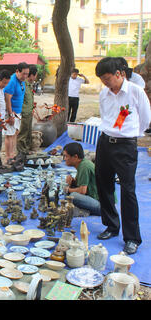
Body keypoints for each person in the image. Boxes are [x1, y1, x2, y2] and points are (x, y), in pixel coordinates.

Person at [94, 57, 151, 255]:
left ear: (120, 74)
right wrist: (110, 132)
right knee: (103, 184)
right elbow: (104, 116)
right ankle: (111, 225)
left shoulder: (135, 92)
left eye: (108, 78)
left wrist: (129, 134)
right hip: (105, 142)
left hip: (125, 146)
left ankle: (132, 238)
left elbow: (145, 119)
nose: (106, 83)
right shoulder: (104, 93)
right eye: (102, 80)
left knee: (128, 191)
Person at [62, 143, 100, 216]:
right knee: (69, 194)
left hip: (102, 206)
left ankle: (83, 211)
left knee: (73, 196)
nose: (64, 159)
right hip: (94, 200)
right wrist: (72, 182)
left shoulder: (84, 166)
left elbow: (82, 191)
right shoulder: (82, 164)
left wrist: (68, 189)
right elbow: (81, 185)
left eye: (66, 156)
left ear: (75, 157)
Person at [3, 62, 30, 165]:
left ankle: (13, 154)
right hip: (11, 111)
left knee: (15, 133)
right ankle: (8, 157)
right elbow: (7, 99)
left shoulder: (22, 81)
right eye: (23, 73)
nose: (25, 76)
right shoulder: (12, 81)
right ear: (17, 71)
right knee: (9, 135)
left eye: (27, 74)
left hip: (18, 112)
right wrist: (10, 115)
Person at [17, 65, 38, 156]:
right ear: (32, 75)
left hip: (29, 112)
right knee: (23, 134)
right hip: (24, 113)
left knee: (28, 132)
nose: (35, 77)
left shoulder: (29, 85)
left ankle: (26, 149)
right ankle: (21, 152)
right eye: (35, 75)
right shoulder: (23, 85)